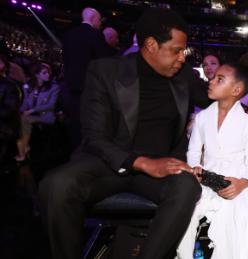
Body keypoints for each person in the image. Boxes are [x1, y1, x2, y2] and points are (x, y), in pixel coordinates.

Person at [39, 8, 209, 259]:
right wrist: (141, 162)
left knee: (187, 186)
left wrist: (244, 109)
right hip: (108, 164)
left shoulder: (184, 76)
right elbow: (94, 136)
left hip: (160, 169)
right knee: (55, 185)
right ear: (151, 45)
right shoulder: (105, 71)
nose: (182, 58)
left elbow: (216, 98)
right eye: (176, 50)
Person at [176, 63, 248, 259]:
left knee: (236, 214)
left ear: (236, 90)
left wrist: (242, 183)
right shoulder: (202, 118)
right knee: (187, 210)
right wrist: (195, 168)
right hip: (207, 175)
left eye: (219, 79)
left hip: (240, 178)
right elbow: (193, 151)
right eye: (213, 77)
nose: (211, 81)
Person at [61, 7, 112, 150]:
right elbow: (102, 62)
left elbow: (66, 60)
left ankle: (74, 149)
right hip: (90, 88)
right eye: (99, 20)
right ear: (93, 18)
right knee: (90, 123)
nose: (100, 23)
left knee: (75, 121)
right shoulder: (96, 35)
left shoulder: (68, 35)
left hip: (71, 86)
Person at [16, 62, 60, 161]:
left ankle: (23, 150)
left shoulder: (54, 87)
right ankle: (24, 147)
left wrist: (32, 110)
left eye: (48, 72)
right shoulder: (28, 87)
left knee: (25, 120)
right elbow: (25, 103)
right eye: (44, 73)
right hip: (30, 116)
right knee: (21, 119)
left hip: (46, 116)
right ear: (36, 75)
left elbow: (50, 105)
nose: (48, 75)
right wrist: (20, 111)